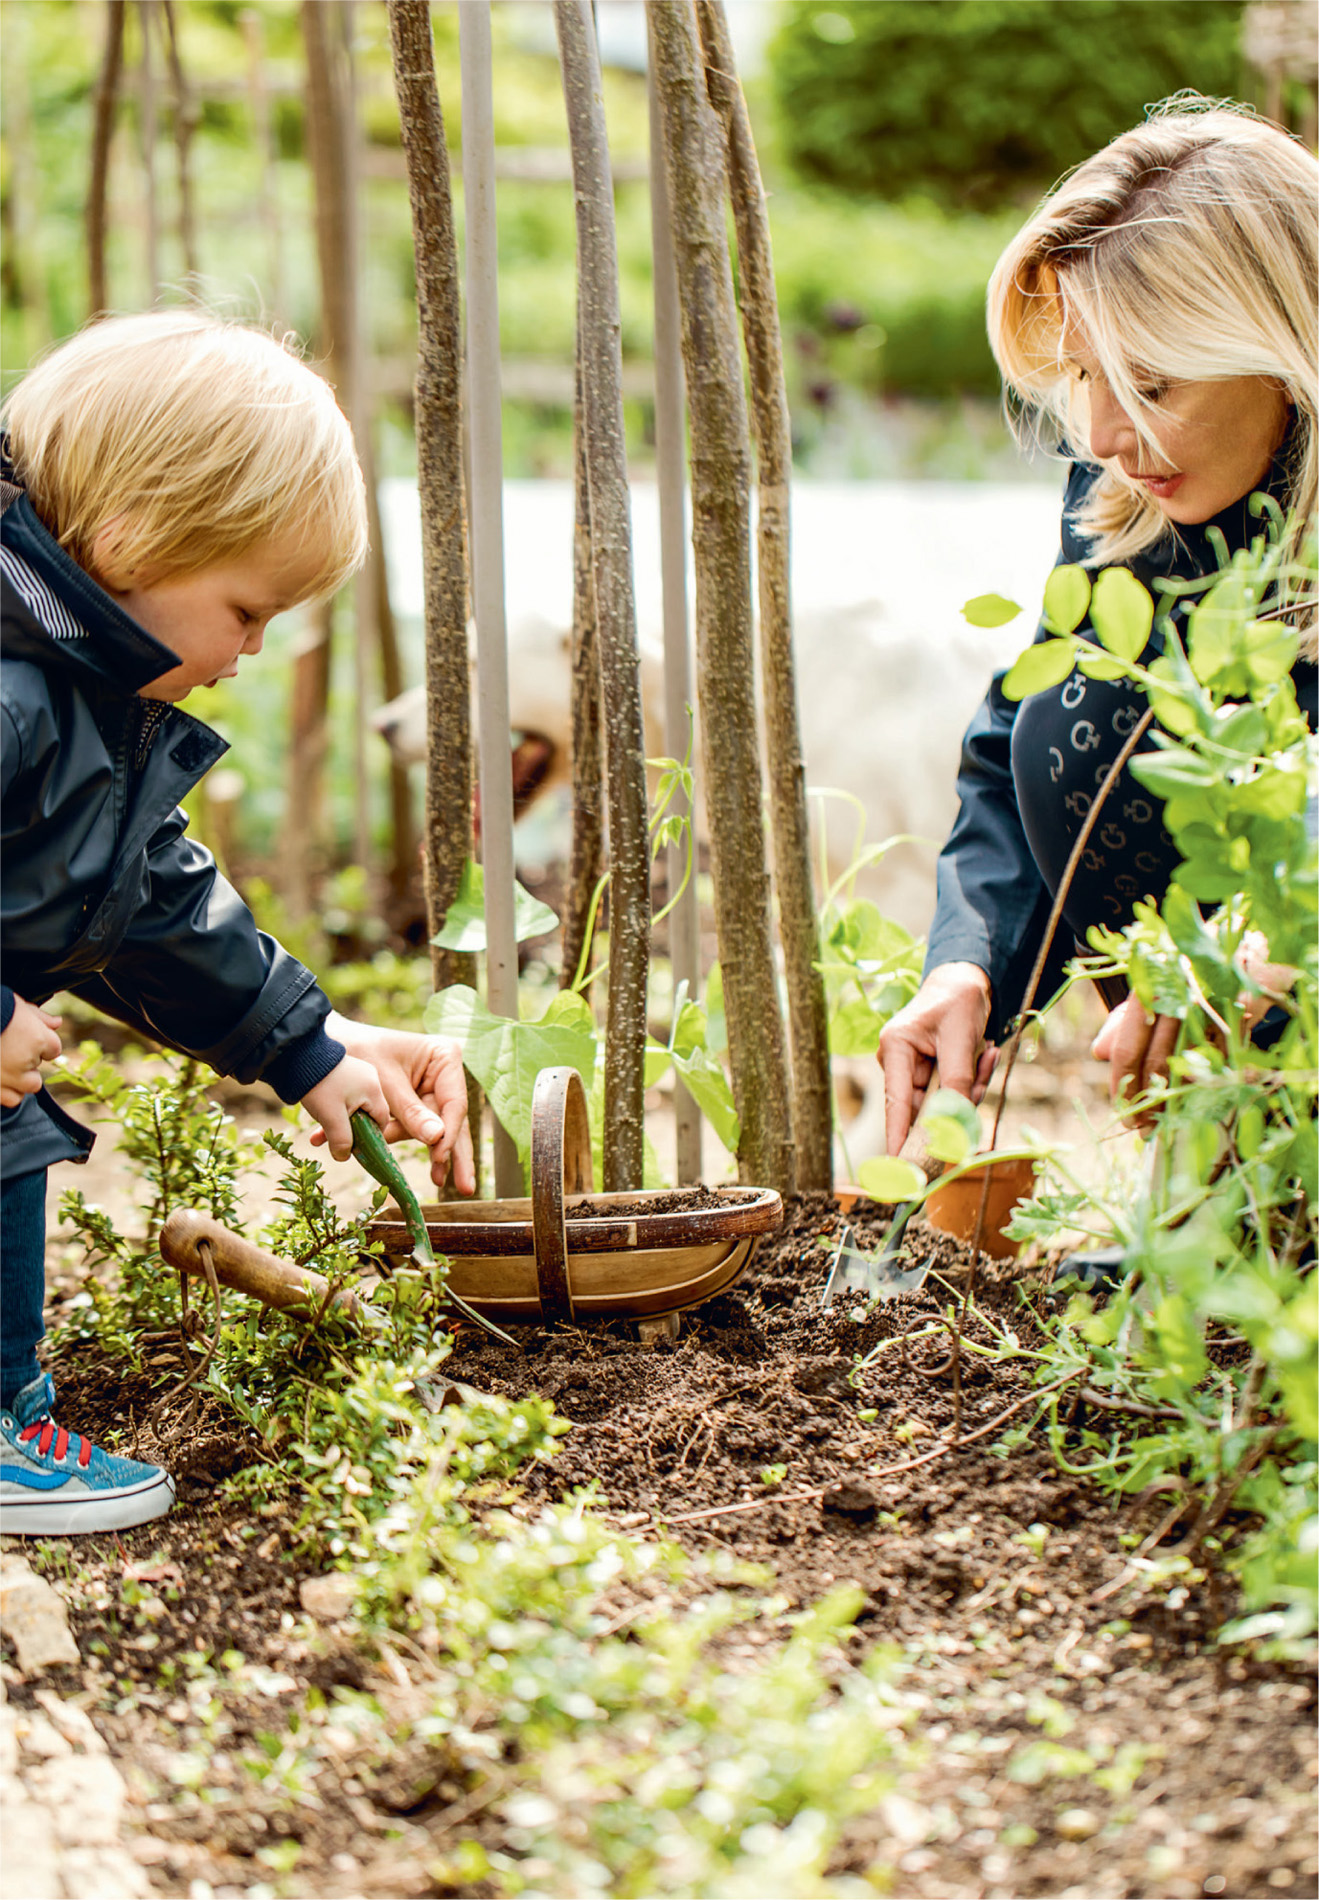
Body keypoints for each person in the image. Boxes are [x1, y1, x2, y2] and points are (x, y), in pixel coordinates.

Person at [1, 310, 476, 1535]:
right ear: (130, 547)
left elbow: (142, 899)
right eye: (246, 609)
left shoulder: (79, 687)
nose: (255, 649)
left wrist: (310, 1046)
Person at [879, 98, 1318, 1168]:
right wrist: (970, 962)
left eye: (1149, 385)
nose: (1106, 436)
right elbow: (1013, 739)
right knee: (1080, 715)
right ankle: (1221, 1181)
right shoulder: (1130, 493)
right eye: (1082, 380)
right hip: (1224, 1115)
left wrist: (1287, 931)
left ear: (1281, 347)